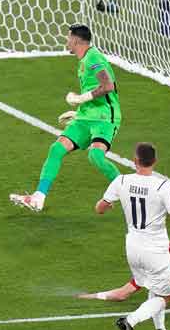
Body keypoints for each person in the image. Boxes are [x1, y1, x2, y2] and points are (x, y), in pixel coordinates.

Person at [10, 24, 121, 212]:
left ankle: (128, 191)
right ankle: (38, 198)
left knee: (95, 156)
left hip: (104, 118)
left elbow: (108, 86)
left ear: (77, 40)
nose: (66, 41)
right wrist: (80, 112)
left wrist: (80, 99)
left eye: (68, 38)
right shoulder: (84, 59)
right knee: (56, 149)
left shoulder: (93, 58)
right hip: (86, 118)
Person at [95, 142, 170, 330]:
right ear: (154, 161)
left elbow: (99, 208)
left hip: (132, 247)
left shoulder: (121, 181)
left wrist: (110, 203)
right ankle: (130, 321)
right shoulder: (163, 186)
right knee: (166, 295)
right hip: (155, 249)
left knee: (154, 285)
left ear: (135, 161)